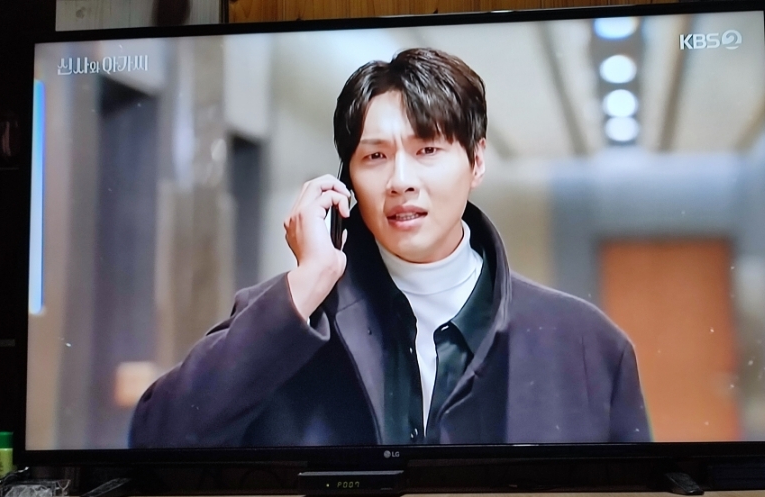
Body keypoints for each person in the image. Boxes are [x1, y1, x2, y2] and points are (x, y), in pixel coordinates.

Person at [129, 48, 651, 448]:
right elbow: (155, 440)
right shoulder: (289, 319)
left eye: (427, 149)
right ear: (347, 180)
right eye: (375, 156)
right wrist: (304, 286)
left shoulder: (587, 346)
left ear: (477, 162)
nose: (401, 180)